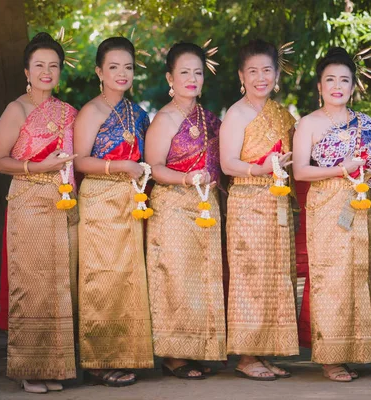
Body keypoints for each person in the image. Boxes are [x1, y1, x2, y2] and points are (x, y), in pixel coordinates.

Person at [293, 47, 371, 382]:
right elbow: (302, 172)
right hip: (325, 207)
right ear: (319, 87)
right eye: (330, 79)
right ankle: (329, 357)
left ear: (353, 87)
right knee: (329, 280)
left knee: (355, 278)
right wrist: (339, 170)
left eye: (344, 80)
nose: (337, 85)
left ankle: (351, 351)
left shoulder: (366, 124)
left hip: (361, 207)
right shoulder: (308, 123)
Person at [0, 32, 78, 394]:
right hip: (27, 201)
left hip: (62, 204)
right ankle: (28, 367)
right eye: (39, 65)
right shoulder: (17, 109)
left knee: (58, 285)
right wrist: (37, 168)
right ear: (27, 71)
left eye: (53, 66)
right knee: (32, 284)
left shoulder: (67, 112)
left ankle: (53, 365)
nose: (46, 71)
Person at [73, 36, 153, 387]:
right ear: (99, 72)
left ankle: (128, 354)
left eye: (128, 67)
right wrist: (118, 167)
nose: (122, 73)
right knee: (102, 277)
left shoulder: (139, 113)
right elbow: (80, 161)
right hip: (100, 200)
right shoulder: (91, 111)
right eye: (114, 67)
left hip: (131, 202)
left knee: (128, 278)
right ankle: (97, 359)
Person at [144, 42, 226, 379]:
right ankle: (174, 355)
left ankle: (199, 349)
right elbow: (154, 167)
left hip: (206, 205)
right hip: (173, 205)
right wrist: (187, 178)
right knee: (176, 278)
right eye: (184, 72)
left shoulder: (208, 119)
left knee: (204, 278)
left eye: (197, 72)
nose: (192, 78)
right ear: (170, 78)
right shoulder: (164, 118)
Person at [219, 39, 298, 381]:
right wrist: (261, 170)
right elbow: (227, 163)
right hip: (248, 200)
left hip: (278, 201)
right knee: (249, 277)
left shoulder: (283, 113)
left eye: (267, 70)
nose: (260, 77)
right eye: (253, 71)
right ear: (241, 75)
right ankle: (246, 354)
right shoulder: (237, 113)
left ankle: (263, 351)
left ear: (277, 74)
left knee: (276, 277)